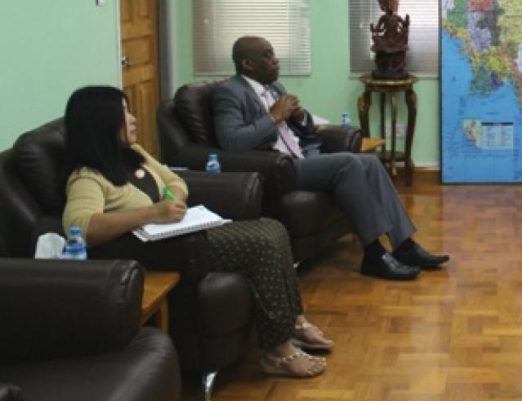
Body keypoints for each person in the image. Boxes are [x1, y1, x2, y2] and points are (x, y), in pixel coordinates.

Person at [62, 86, 333, 378]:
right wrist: (152, 213)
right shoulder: (87, 177)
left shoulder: (133, 154)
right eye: (123, 113)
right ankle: (278, 351)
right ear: (102, 123)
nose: (133, 119)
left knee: (273, 228)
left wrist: (174, 200)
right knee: (261, 245)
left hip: (178, 232)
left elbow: (175, 180)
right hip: (159, 249)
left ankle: (294, 320)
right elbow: (80, 226)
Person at [213, 36, 448, 281]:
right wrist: (274, 117)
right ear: (248, 64)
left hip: (300, 156)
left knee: (370, 162)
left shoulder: (275, 88)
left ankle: (404, 245)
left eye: (273, 54)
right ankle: (374, 254)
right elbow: (231, 141)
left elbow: (304, 129)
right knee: (348, 163)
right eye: (267, 55)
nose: (276, 60)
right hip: (277, 167)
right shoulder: (230, 92)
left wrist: (300, 117)